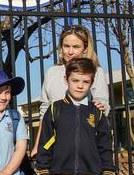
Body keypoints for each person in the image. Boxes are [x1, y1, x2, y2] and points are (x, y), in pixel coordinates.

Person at [36, 58, 115, 175]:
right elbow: (46, 144)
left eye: (85, 81)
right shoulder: (55, 110)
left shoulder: (96, 113)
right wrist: (44, 172)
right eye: (75, 80)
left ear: (91, 83)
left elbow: (105, 145)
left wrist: (107, 173)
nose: (80, 86)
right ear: (66, 80)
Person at [31, 24, 109, 158]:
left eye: (76, 47)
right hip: (54, 143)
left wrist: (100, 107)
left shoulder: (96, 71)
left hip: (83, 142)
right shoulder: (52, 72)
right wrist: (38, 145)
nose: (70, 52)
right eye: (66, 46)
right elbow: (44, 111)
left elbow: (103, 104)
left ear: (85, 49)